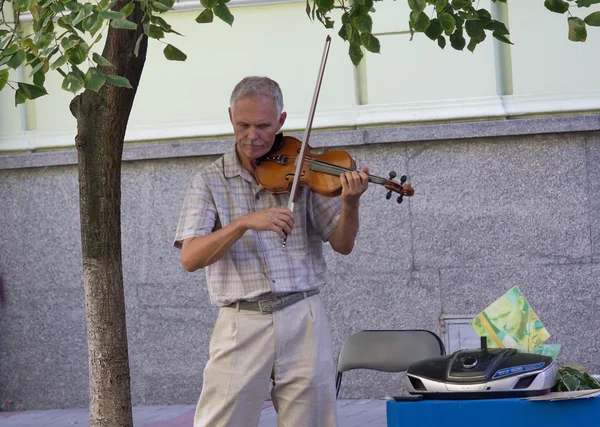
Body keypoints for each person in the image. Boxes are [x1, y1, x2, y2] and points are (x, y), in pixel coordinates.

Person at [174, 76, 369, 427]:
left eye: (263, 125)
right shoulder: (208, 181)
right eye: (243, 124)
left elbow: (343, 244)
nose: (252, 136)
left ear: (281, 121)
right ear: (230, 117)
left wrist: (350, 203)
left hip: (302, 312)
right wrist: (243, 223)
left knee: (311, 422)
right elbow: (189, 258)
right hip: (241, 319)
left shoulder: (303, 167)